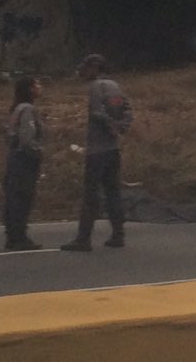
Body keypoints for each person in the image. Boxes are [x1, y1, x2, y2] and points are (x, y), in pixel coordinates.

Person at [61, 54, 133, 252]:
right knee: (113, 192)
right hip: (113, 149)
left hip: (97, 150)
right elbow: (128, 110)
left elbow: (96, 112)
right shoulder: (115, 86)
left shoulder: (96, 87)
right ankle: (118, 234)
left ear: (94, 68)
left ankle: (83, 239)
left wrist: (110, 126)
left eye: (86, 67)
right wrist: (121, 127)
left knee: (91, 195)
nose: (82, 71)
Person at [3, 76, 44, 251]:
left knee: (13, 197)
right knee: (23, 197)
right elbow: (27, 139)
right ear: (29, 89)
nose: (40, 87)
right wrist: (38, 152)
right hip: (24, 159)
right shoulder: (27, 109)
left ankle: (13, 235)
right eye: (37, 84)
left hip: (14, 157)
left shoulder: (17, 108)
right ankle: (19, 236)